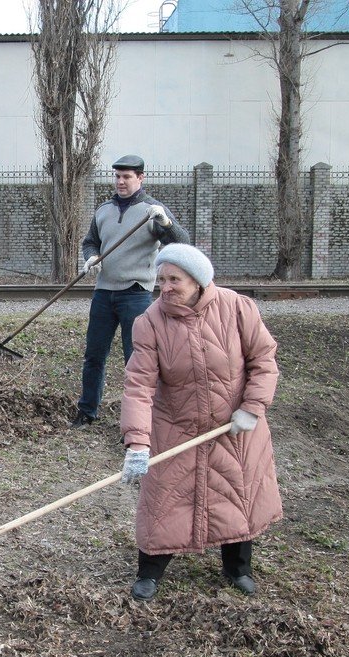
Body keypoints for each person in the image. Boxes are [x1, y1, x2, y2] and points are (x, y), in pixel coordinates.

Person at [118, 243, 282, 600]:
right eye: (160, 279)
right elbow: (139, 385)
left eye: (174, 279)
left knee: (236, 493)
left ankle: (238, 568)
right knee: (164, 498)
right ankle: (150, 572)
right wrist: (138, 441)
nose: (165, 287)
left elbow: (263, 361)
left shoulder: (237, 307)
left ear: (198, 280)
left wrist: (252, 408)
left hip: (234, 426)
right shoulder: (149, 323)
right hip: (175, 426)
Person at [70, 154, 190, 428]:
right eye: (117, 176)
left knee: (135, 360)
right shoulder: (104, 210)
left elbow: (181, 242)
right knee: (94, 356)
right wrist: (91, 256)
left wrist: (165, 223)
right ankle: (87, 412)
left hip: (135, 294)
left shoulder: (152, 209)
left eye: (127, 177)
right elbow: (90, 242)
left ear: (140, 178)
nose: (121, 182)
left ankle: (137, 422)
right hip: (104, 293)